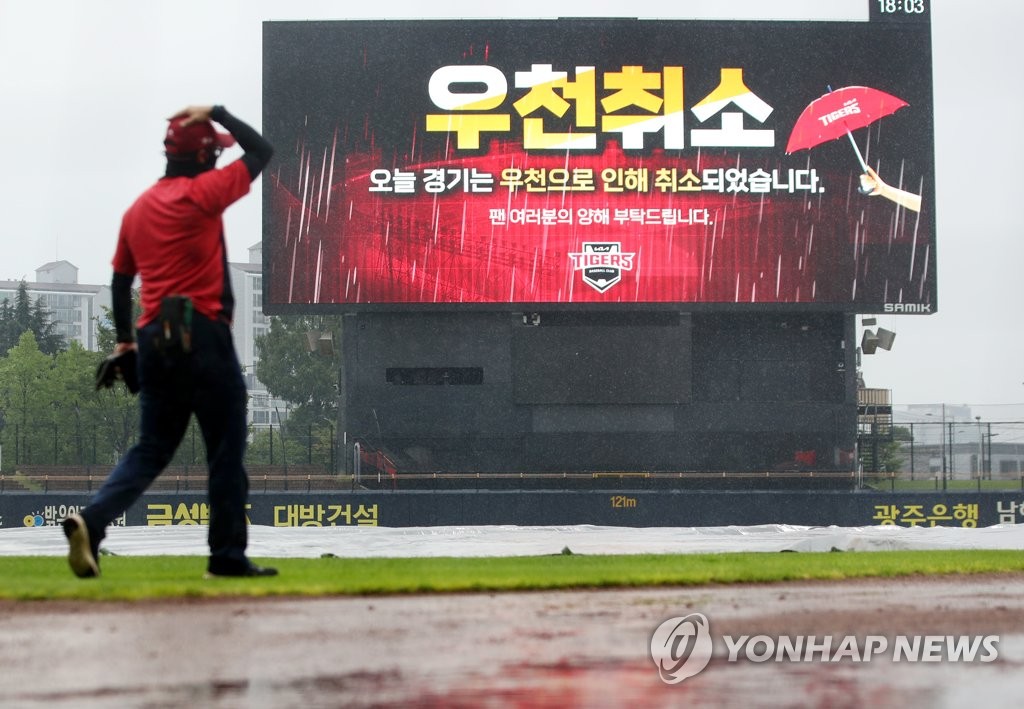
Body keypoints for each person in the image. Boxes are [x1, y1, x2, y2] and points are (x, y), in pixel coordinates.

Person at [63, 105, 276, 578]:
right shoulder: (204, 192)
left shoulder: (137, 209)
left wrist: (123, 345)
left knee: (151, 449)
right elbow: (262, 150)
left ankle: (92, 522)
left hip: (151, 339)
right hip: (202, 333)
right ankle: (226, 557)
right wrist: (219, 111)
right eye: (214, 153)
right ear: (203, 156)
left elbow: (120, 284)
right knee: (225, 451)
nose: (220, 161)